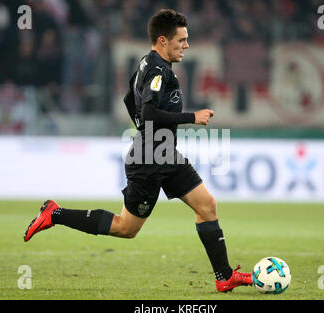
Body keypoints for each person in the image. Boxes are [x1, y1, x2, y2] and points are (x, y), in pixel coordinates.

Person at [24, 9, 253, 293]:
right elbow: (149, 110)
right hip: (149, 160)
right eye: (181, 40)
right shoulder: (158, 70)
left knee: (206, 206)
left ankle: (224, 276)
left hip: (164, 154)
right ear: (163, 40)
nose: (186, 45)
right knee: (126, 228)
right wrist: (191, 118)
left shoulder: (148, 62)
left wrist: (144, 128)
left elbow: (128, 98)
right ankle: (54, 214)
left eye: (186, 39)